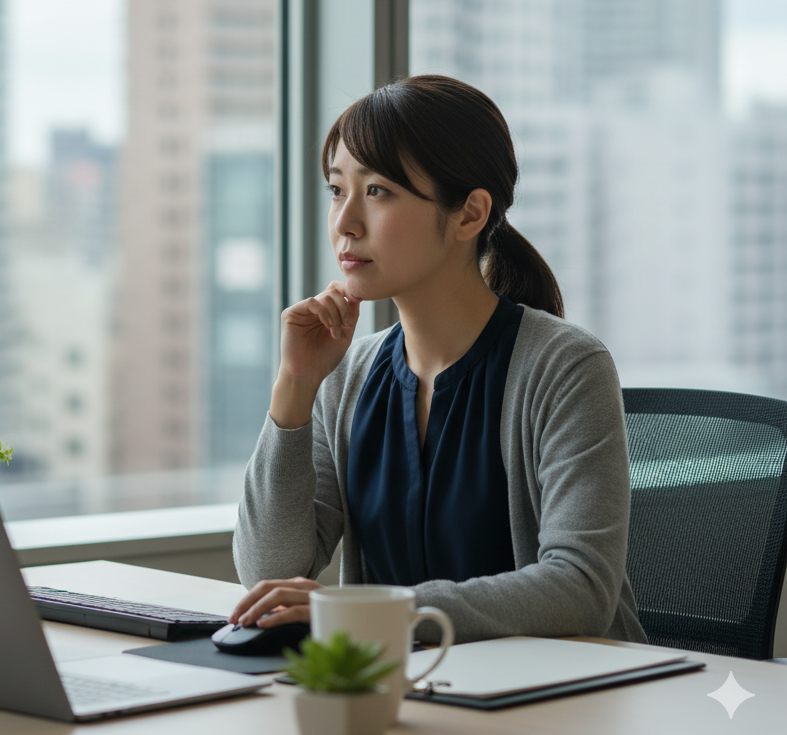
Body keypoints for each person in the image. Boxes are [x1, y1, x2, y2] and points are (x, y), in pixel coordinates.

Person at [229, 75, 647, 644]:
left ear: (470, 214)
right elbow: (268, 575)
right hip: (422, 692)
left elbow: (580, 590)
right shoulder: (346, 376)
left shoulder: (566, 368)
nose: (345, 222)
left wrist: (376, 613)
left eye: (377, 191)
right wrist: (295, 387)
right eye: (336, 189)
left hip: (570, 701)